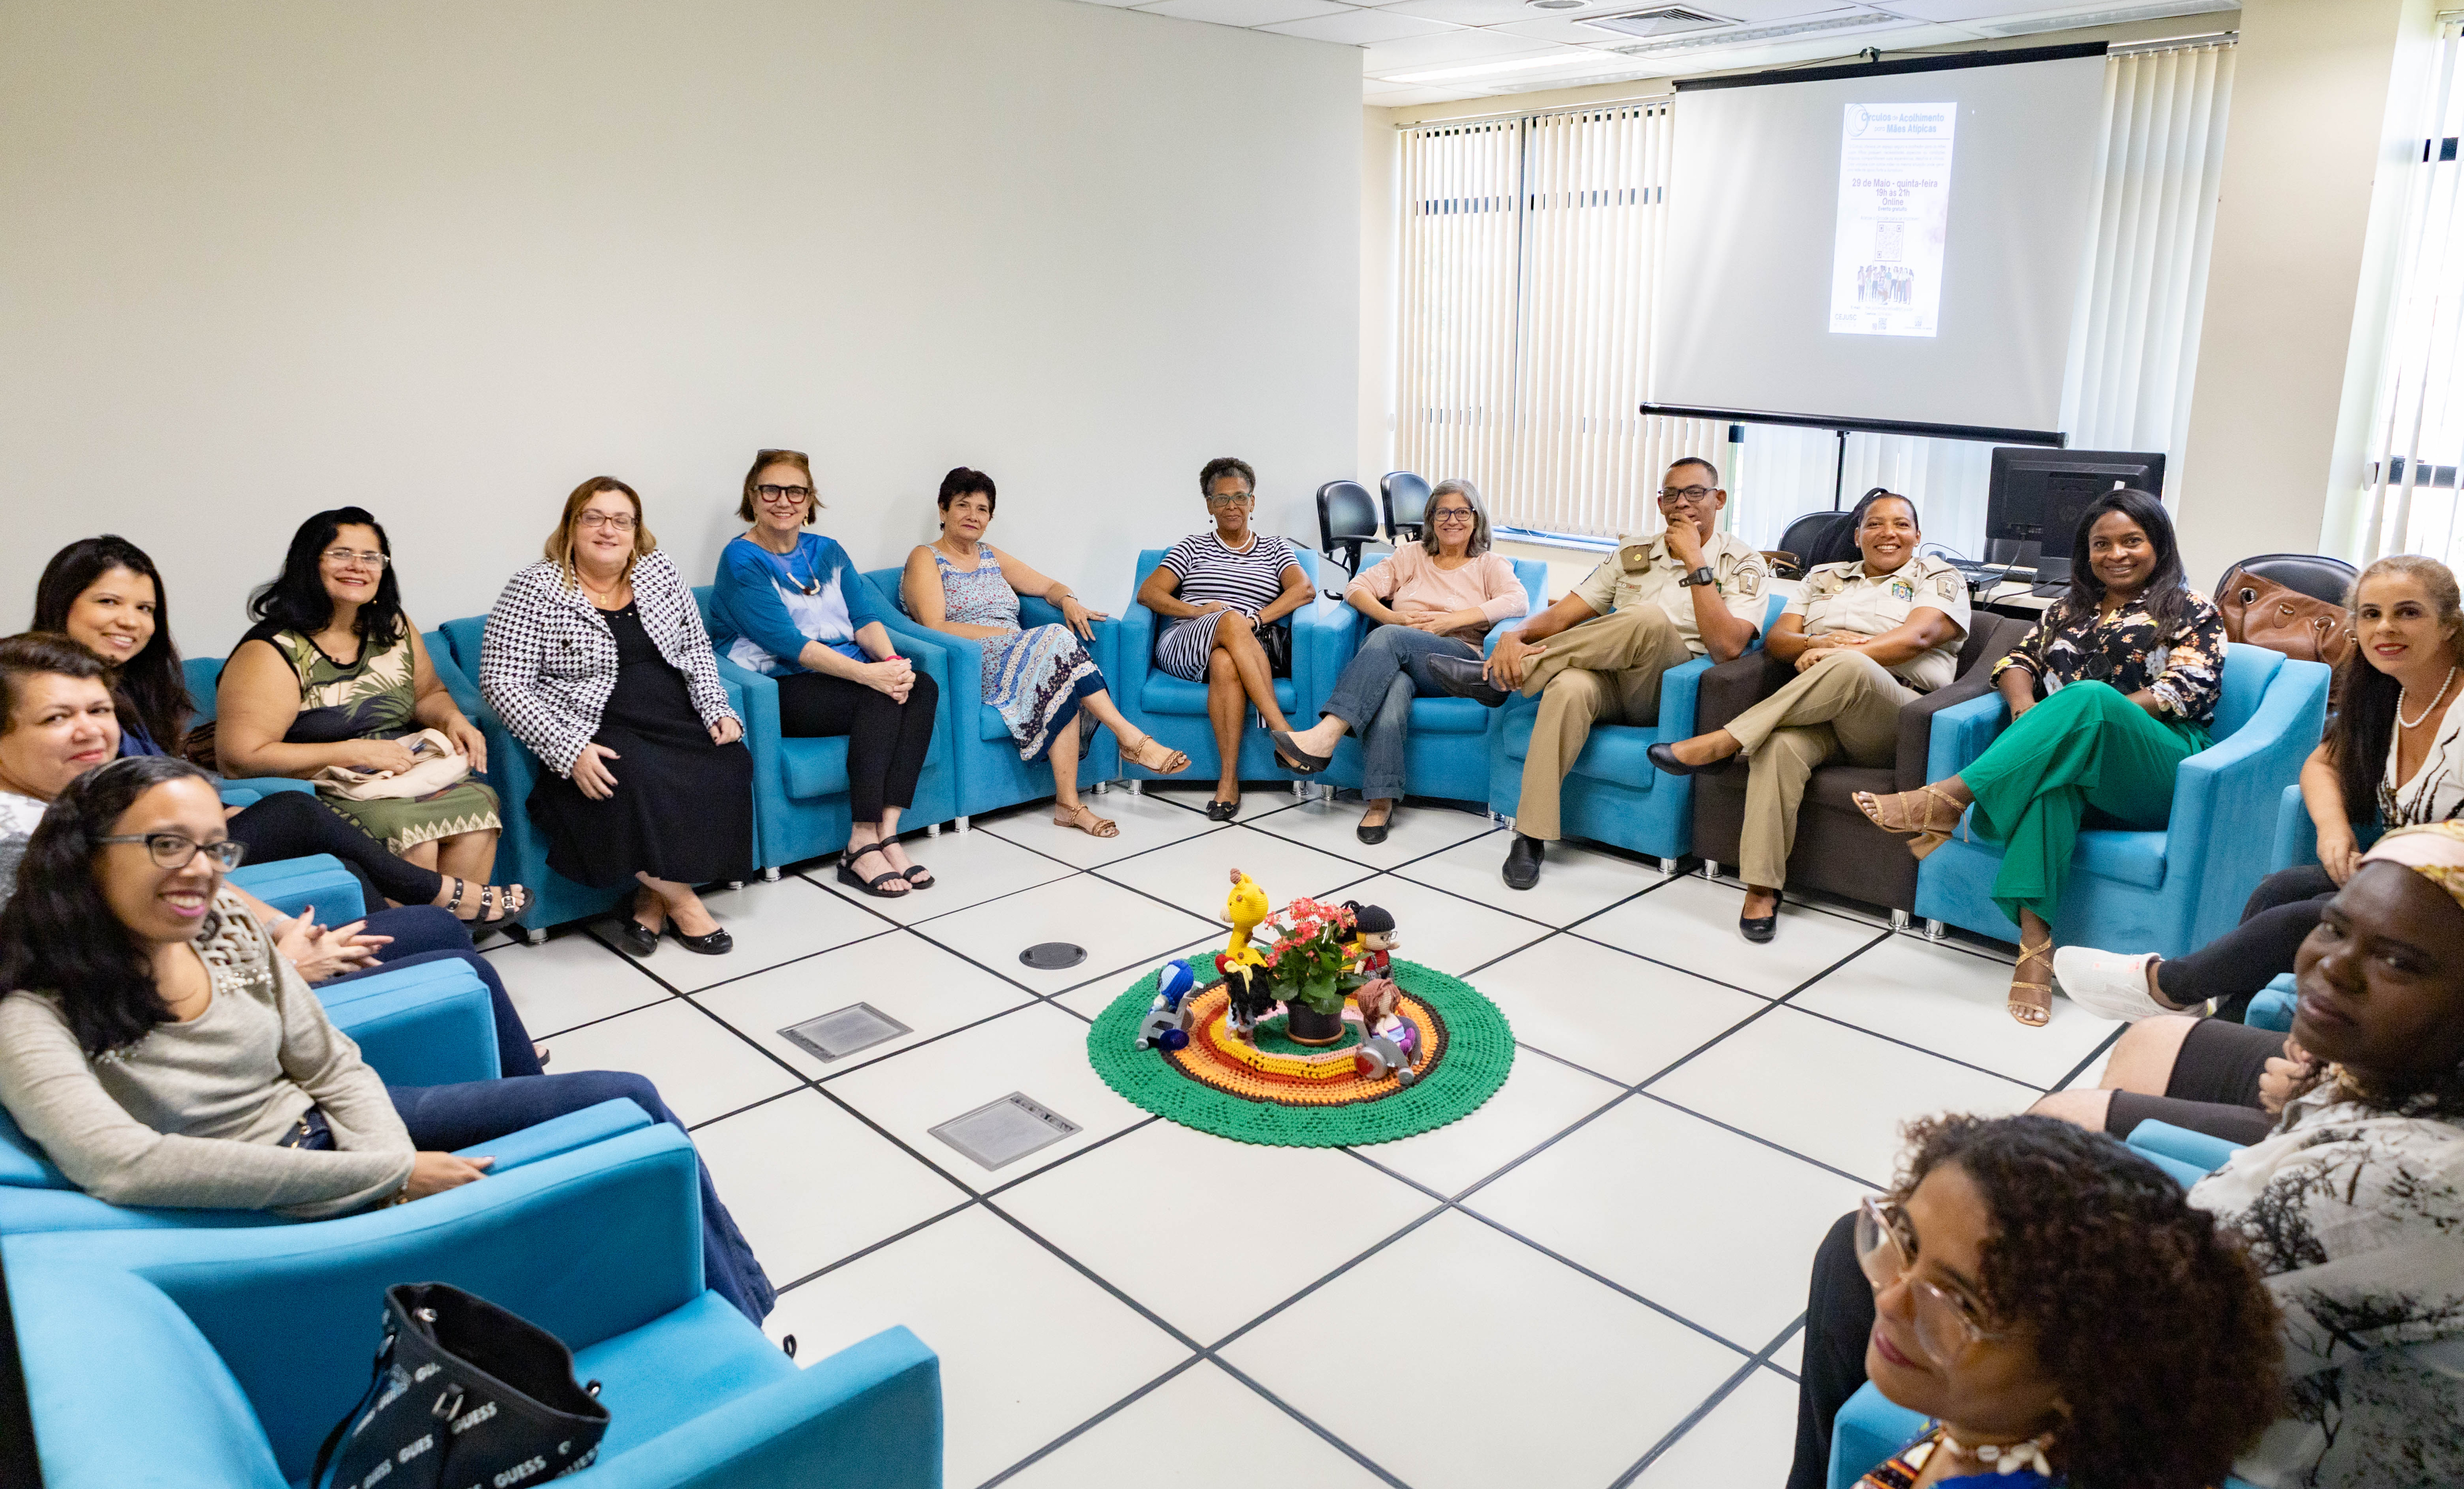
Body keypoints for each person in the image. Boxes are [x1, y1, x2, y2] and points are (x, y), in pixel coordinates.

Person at [1794, 823, 2464, 1489]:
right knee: (2143, 1047)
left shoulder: (2403, 1181)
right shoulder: (2396, 1084)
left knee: (1861, 1266)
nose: (2335, 966)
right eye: (2333, 926)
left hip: (2255, 1449)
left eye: (2399, 961)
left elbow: (2140, 1336)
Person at [0, 758, 769, 1320]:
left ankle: (749, 1315)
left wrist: (384, 1165)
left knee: (627, 1095)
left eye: (215, 847)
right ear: (88, 852)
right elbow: (128, 1164)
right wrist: (380, 1177)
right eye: (168, 845)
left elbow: (329, 1062)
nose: (201, 871)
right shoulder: (30, 1011)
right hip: (269, 1196)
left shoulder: (224, 925)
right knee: (612, 1141)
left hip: (340, 1137)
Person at [0, 633, 543, 1076]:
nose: (90, 730)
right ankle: (526, 1104)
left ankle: (502, 1066)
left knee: (434, 928)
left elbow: (197, 889)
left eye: (99, 709)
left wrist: (285, 930)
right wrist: (282, 966)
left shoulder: (76, 803)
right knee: (442, 944)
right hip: (216, 1031)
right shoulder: (28, 844)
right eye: (56, 718)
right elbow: (127, 1004)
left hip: (235, 968)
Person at [1852, 489, 2225, 1026]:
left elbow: (2183, 690)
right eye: (2102, 544)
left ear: (2159, 545)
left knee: (2087, 699)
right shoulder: (2068, 606)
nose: (2116, 553)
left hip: (2162, 762)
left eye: (2131, 541)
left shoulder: (2191, 608)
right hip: (2079, 754)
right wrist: (2028, 708)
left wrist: (2084, 712)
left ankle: (1949, 799)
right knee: (2055, 779)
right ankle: (2034, 950)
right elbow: (2017, 660)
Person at [33, 535, 529, 930]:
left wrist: (451, 719)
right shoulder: (51, 695)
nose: (129, 620)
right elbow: (106, 808)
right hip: (133, 857)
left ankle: (431, 945)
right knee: (297, 812)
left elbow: (431, 692)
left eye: (144, 609)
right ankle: (438, 905)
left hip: (175, 832)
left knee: (357, 866)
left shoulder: (127, 689)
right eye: (109, 601)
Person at [2057, 554, 2463, 1024]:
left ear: (2451, 624)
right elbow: (2321, 763)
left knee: (2312, 916)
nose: (2386, 628)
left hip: (2444, 892)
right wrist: (2333, 828)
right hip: (2404, 876)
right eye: (2371, 614)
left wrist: (2395, 865)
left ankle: (2168, 985)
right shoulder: (2388, 692)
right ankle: (2228, 1024)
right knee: (2280, 889)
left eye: (2408, 612)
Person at [1831, 1114, 2280, 1489]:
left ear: (2084, 1369)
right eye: (1906, 1240)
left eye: (1960, 1303)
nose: (1891, 1300)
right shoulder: (2007, 1434)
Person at [1430, 456, 1769, 890]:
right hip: (1612, 681)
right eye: (1671, 494)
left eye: (1695, 493)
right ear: (1659, 503)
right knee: (1569, 686)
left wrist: (1694, 560)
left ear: (1719, 499)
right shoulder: (1632, 556)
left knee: (1645, 618)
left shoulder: (1742, 562)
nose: (1681, 503)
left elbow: (1728, 648)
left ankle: (1498, 678)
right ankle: (1530, 836)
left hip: (1669, 692)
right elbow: (1563, 614)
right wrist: (1516, 634)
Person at [1648, 489, 1969, 942]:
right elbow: (1780, 640)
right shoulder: (1824, 575)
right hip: (1824, 710)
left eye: (1900, 524)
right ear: (1857, 535)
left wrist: (1840, 652)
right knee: (1779, 747)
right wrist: (1817, 649)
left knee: (1851, 665)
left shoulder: (1937, 575)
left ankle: (1727, 740)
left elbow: (1919, 636)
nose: (1887, 533)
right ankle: (1761, 887)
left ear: (1918, 535)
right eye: (1874, 524)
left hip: (1895, 715)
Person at [481, 477, 753, 955]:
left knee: (731, 761)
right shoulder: (533, 586)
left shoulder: (659, 570)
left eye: (621, 520)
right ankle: (685, 904)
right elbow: (502, 682)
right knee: (630, 779)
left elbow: (694, 648)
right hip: (588, 725)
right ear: (572, 525)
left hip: (670, 713)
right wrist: (568, 749)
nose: (609, 529)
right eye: (595, 517)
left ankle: (651, 899)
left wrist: (716, 707)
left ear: (635, 530)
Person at [216, 508, 516, 915]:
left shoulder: (392, 626)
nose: (358, 566)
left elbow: (428, 692)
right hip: (322, 784)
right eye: (341, 553)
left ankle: (453, 938)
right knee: (416, 835)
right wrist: (354, 752)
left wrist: (452, 719)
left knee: (478, 806)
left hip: (400, 770)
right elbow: (238, 758)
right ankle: (409, 944)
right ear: (310, 563)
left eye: (371, 557)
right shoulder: (271, 651)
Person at [899, 466, 1189, 838]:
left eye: (983, 509)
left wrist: (1067, 600)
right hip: (973, 661)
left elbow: (1050, 585)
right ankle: (1130, 737)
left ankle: (1068, 806)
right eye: (963, 506)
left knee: (1059, 674)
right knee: (1053, 642)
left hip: (1023, 654)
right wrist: (1006, 636)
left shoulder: (990, 556)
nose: (973, 516)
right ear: (942, 511)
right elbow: (934, 625)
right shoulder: (926, 557)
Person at [707, 449, 941, 897]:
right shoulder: (741, 560)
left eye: (795, 490)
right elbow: (791, 645)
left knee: (921, 686)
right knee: (877, 695)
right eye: (770, 489)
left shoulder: (827, 551)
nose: (783, 500)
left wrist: (891, 666)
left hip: (842, 673)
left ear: (809, 498)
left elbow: (866, 618)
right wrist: (871, 677)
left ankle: (888, 833)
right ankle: (858, 842)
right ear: (753, 497)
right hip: (783, 685)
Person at [1266, 478, 1529, 845]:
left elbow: (1517, 602)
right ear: (1430, 519)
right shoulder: (1410, 557)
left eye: (1462, 512)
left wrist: (1452, 620)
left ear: (1476, 518)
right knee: (1391, 689)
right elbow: (1357, 589)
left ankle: (1326, 736)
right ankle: (1380, 801)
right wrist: (1392, 618)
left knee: (1387, 641)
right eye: (1442, 512)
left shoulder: (1488, 564)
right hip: (1404, 656)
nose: (1452, 520)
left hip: (1455, 664)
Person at [1133, 456, 1316, 822]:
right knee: (1230, 621)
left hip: (1248, 643)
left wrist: (1257, 618)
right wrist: (1198, 612)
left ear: (1253, 501)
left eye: (1239, 497)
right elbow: (1149, 594)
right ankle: (1283, 731)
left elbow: (1304, 590)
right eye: (1221, 499)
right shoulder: (1191, 547)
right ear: (1208, 505)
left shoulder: (1276, 548)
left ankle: (1228, 781)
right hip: (1185, 641)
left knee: (1225, 659)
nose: (1231, 506)